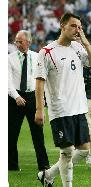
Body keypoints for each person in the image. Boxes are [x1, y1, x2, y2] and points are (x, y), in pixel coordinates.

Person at [34, 12, 91, 187]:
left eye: (79, 27)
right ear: (62, 26)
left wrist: (85, 42)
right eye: (73, 26)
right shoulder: (47, 52)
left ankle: (48, 174)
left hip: (79, 107)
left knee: (84, 151)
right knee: (67, 152)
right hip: (61, 109)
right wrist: (40, 109)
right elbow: (39, 83)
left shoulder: (78, 48)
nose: (77, 30)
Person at [8, 30, 50, 171]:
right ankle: (12, 165)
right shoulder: (9, 58)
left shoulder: (38, 57)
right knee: (11, 134)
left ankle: (43, 165)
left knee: (38, 133)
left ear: (28, 42)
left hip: (33, 97)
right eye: (16, 41)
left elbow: (42, 80)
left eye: (20, 41)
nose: (17, 44)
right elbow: (7, 81)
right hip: (15, 98)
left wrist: (42, 100)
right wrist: (16, 96)